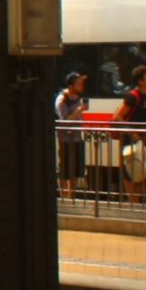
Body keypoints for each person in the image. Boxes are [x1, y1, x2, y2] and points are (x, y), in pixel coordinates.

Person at [116, 64, 146, 203]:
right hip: (130, 139)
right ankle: (132, 202)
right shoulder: (132, 96)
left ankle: (136, 201)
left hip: (143, 138)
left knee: (142, 170)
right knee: (130, 171)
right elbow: (117, 116)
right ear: (140, 81)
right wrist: (131, 132)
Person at [53, 71, 89, 201]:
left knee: (74, 168)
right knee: (64, 168)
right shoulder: (62, 99)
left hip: (77, 137)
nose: (81, 86)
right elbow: (64, 120)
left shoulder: (78, 97)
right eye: (79, 83)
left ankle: (71, 196)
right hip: (65, 138)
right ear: (71, 85)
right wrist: (79, 110)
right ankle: (63, 197)